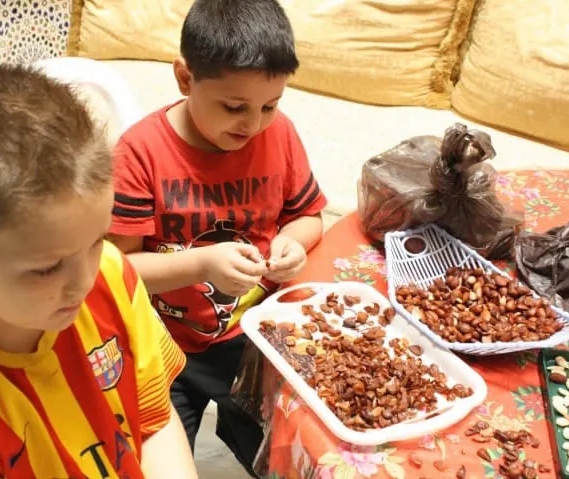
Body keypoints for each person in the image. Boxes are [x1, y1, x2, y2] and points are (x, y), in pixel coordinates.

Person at [0, 65, 197, 479]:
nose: (84, 280)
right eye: (46, 268)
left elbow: (154, 421)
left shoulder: (111, 274)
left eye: (97, 239)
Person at [107, 0, 327, 475]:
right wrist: (202, 265)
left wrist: (293, 242)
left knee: (271, 455)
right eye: (234, 107)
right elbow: (117, 269)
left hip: (254, 340)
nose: (253, 124)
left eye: (270, 105)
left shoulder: (279, 135)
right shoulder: (139, 153)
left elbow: (309, 215)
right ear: (185, 79)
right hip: (163, 347)